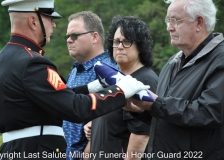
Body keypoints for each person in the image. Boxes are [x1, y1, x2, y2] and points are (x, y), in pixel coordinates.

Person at [0, 1, 148, 160]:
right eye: (49, 18)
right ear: (33, 21)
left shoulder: (0, 60)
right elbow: (76, 108)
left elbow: (52, 97)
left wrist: (90, 88)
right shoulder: (32, 62)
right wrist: (120, 91)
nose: (54, 25)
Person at [127, 0, 224, 159]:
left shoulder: (220, 60)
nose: (169, 27)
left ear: (199, 22)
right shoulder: (172, 63)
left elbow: (210, 113)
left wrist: (155, 104)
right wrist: (140, 110)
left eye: (175, 20)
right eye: (168, 20)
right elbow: (166, 116)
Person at [83, 15, 158, 160]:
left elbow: (142, 135)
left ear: (140, 47)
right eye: (116, 41)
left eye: (127, 42)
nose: (120, 46)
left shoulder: (144, 80)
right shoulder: (113, 79)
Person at [62, 11, 118, 160]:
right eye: (67, 36)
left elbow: (108, 117)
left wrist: (87, 154)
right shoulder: (75, 70)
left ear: (94, 37)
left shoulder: (109, 70)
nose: (69, 40)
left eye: (74, 35)